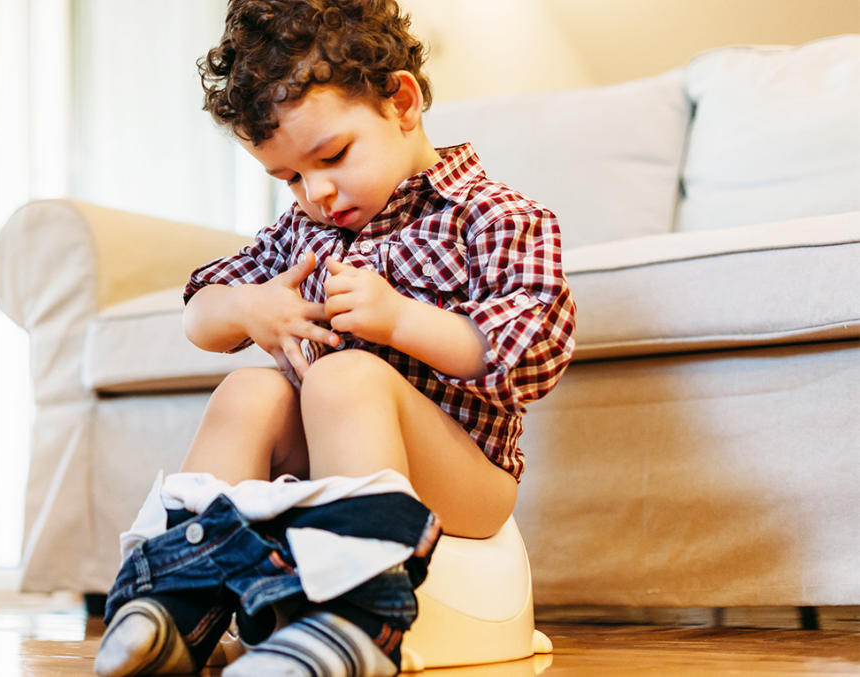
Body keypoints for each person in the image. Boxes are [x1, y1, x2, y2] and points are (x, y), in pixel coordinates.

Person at [95, 1, 575, 675]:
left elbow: (532, 356)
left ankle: (359, 613)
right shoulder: (302, 234)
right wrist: (247, 307)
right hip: (323, 464)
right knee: (251, 387)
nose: (316, 191)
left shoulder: (494, 217)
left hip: (465, 476)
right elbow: (197, 313)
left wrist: (402, 320)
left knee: (343, 375)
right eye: (288, 177)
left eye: (332, 155)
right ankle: (182, 596)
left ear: (401, 102)